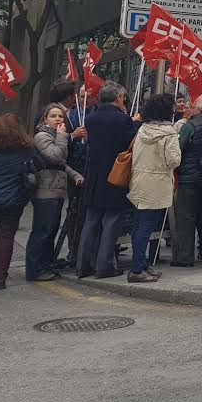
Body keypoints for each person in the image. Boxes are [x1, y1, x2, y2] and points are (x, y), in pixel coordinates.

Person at [77, 82, 137, 279]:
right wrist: (135, 123)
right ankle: (104, 265)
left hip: (94, 176)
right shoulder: (123, 120)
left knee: (91, 221)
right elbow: (131, 144)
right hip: (114, 176)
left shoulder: (91, 118)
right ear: (118, 97)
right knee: (111, 221)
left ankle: (83, 264)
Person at [126, 93, 182, 283]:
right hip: (157, 184)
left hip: (139, 181)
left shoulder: (142, 130)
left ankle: (140, 264)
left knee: (139, 226)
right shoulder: (169, 134)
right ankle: (136, 268)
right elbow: (174, 160)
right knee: (147, 228)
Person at [28, 104, 83, 281]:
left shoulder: (55, 136)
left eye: (60, 116)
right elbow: (55, 156)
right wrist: (62, 136)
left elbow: (61, 164)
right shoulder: (42, 136)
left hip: (55, 189)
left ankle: (46, 265)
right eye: (53, 116)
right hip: (45, 190)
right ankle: (35, 269)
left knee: (50, 230)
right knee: (42, 231)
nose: (58, 119)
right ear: (45, 119)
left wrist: (74, 175)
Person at [0, 114, 39, 289]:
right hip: (12, 200)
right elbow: (38, 166)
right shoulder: (26, 149)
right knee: (5, 237)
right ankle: (0, 279)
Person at [172, 95, 202, 266]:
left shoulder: (190, 126)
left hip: (189, 178)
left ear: (199, 109)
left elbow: (178, 149)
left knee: (185, 217)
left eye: (191, 106)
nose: (188, 109)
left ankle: (185, 256)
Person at [47, 79, 87, 268]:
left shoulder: (76, 113)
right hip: (53, 177)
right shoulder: (57, 115)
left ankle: (59, 257)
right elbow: (54, 148)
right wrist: (72, 136)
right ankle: (45, 262)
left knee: (62, 217)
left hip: (70, 172)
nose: (57, 119)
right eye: (77, 95)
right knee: (49, 222)